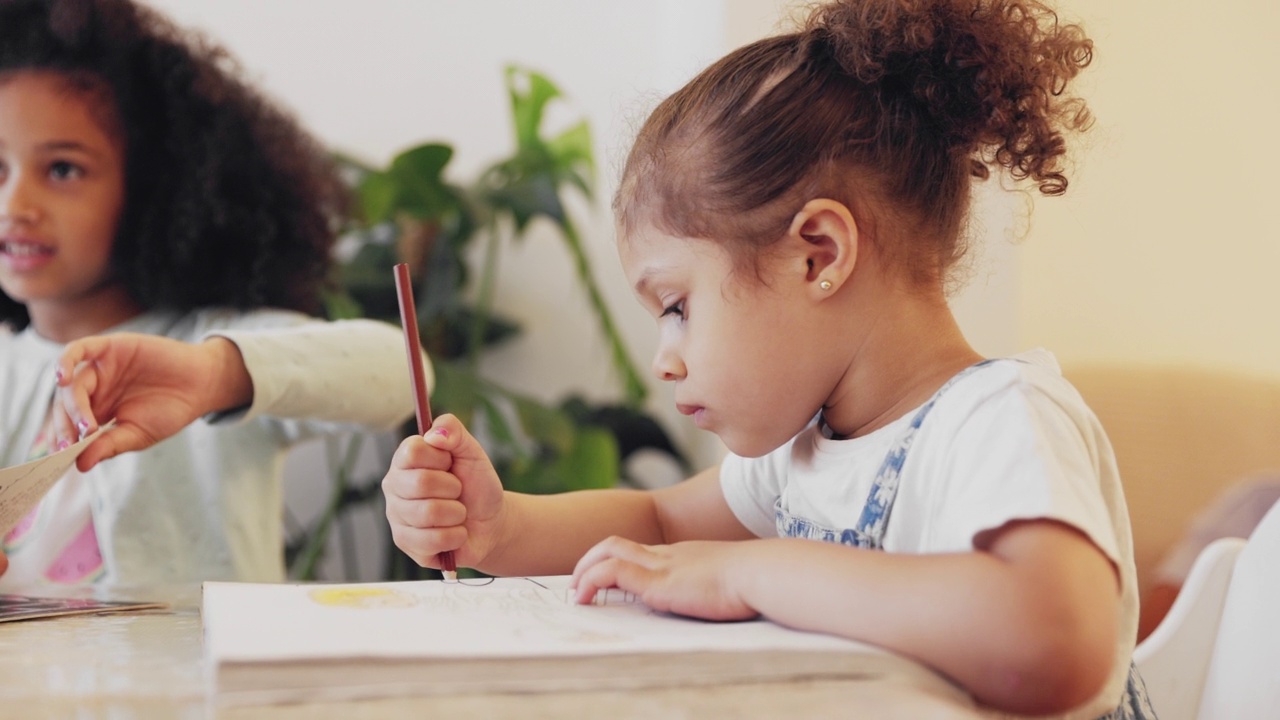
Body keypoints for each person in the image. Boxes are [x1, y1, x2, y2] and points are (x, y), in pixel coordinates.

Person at [382, 1, 1155, 717]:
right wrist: (498, 527)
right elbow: (657, 520)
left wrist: (747, 571)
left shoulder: (996, 418)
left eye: (678, 308)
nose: (664, 361)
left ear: (818, 255)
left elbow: (1056, 639)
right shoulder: (806, 451)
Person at [0, 0, 423, 587]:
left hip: (200, 681)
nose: (15, 207)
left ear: (154, 186)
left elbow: (403, 372)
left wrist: (217, 374)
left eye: (63, 170)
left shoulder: (211, 349)